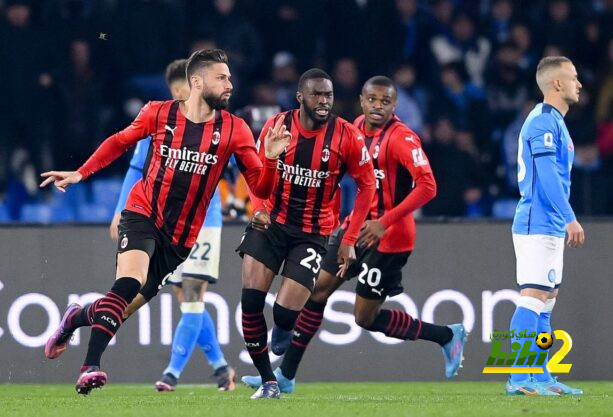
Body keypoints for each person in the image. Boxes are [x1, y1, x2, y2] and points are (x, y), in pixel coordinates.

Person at [41, 49, 291, 395]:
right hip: (142, 213)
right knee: (128, 282)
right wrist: (82, 172)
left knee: (122, 308)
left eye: (230, 78)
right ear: (197, 81)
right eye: (222, 77)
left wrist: (272, 160)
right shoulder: (158, 113)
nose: (230, 84)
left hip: (180, 239)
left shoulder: (235, 129)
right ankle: (90, 366)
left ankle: (74, 318)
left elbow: (259, 185)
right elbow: (119, 142)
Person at [242, 76, 468, 393]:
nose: (378, 107)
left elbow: (428, 186)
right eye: (372, 100)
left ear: (395, 105)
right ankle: (286, 376)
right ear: (361, 101)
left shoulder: (402, 139)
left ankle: (445, 334)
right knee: (317, 292)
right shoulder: (354, 128)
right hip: (353, 228)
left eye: (385, 101)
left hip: (389, 238)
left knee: (365, 317)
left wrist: (384, 222)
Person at [236, 68, 376, 399]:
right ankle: (269, 380)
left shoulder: (347, 136)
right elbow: (257, 170)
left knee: (284, 313)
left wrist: (349, 238)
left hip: (312, 232)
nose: (324, 101)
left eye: (328, 95)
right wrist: (258, 209)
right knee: (252, 302)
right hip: (271, 222)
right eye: (317, 94)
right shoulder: (277, 126)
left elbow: (367, 186)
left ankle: (284, 328)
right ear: (301, 97)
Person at [108, 59, 235, 392]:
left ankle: (172, 373)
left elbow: (236, 163)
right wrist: (121, 210)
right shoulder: (161, 119)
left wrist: (240, 199)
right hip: (165, 221)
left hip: (204, 220)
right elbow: (136, 168)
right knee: (187, 297)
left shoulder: (219, 121)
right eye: (176, 92)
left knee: (192, 294)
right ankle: (222, 369)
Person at [507, 56, 584, 396]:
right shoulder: (541, 122)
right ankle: (518, 378)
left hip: (548, 224)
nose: (579, 84)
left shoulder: (555, 122)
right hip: (537, 222)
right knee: (533, 297)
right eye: (574, 77)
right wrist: (570, 217)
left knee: (546, 301)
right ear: (557, 84)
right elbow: (548, 177)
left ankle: (539, 376)